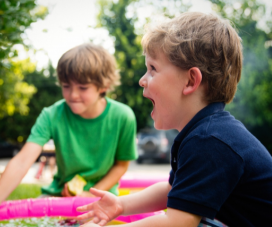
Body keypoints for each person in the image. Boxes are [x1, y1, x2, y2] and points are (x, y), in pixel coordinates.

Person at [76, 12, 272, 227]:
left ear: (190, 81)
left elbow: (178, 222)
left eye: (153, 69)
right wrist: (121, 205)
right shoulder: (204, 133)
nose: (142, 80)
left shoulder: (211, 140)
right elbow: (173, 190)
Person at [0, 43, 138, 226]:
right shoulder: (52, 114)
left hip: (103, 198)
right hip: (58, 196)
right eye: (66, 86)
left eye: (82, 88)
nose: (73, 95)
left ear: (103, 86)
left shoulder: (123, 116)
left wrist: (90, 194)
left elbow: (121, 165)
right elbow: (21, 162)